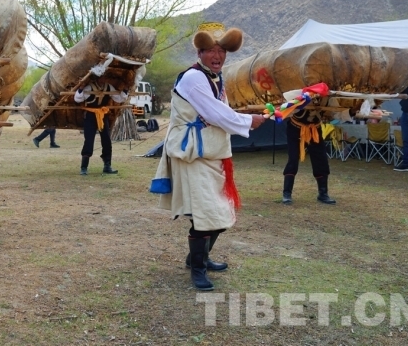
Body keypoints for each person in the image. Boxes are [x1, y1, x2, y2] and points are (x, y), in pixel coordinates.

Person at [153, 23, 266, 291]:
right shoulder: (193, 78)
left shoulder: (215, 78)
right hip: (192, 152)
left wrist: (244, 116)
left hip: (210, 151)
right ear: (200, 53)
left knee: (218, 211)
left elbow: (219, 111)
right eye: (211, 51)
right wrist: (248, 121)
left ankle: (197, 258)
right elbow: (216, 114)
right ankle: (198, 269)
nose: (217, 56)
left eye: (222, 51)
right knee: (205, 213)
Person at [74, 74, 129, 175]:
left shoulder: (108, 87)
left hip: (103, 115)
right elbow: (78, 99)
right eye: (101, 78)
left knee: (107, 140)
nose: (103, 80)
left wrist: (125, 90)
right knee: (89, 140)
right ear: (97, 78)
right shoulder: (89, 87)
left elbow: (119, 98)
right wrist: (81, 88)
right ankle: (84, 167)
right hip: (90, 116)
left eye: (104, 78)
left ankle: (107, 166)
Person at [281, 108, 336, 205]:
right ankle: (287, 194)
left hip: (315, 130)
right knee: (293, 159)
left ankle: (323, 194)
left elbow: (336, 111)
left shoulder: (327, 99)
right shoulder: (296, 98)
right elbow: (288, 109)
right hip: (295, 129)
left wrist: (352, 111)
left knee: (321, 160)